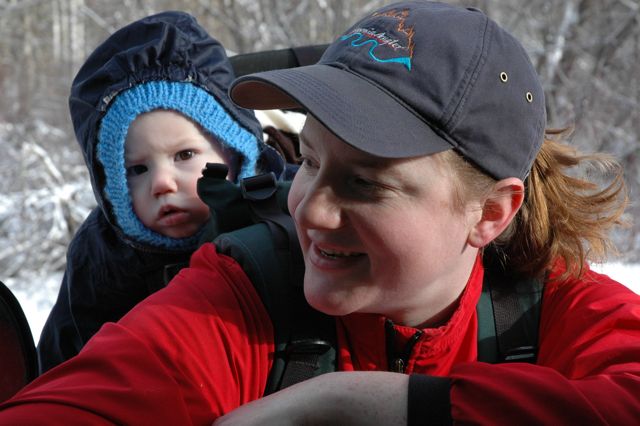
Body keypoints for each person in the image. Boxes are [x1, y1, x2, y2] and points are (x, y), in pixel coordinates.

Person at [2, 1, 639, 424]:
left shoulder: (545, 310)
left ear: (491, 213)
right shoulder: (243, 293)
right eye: (308, 161)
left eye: (365, 183)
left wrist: (368, 405)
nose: (310, 210)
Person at [36, 11, 287, 374]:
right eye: (137, 169)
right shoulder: (104, 255)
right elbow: (65, 358)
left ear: (235, 153)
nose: (161, 183)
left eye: (184, 155)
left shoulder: (281, 214)